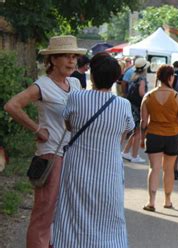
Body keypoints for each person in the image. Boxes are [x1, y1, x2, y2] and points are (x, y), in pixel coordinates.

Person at [3, 35, 86, 248]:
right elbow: (12, 105)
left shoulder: (75, 83)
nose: (72, 61)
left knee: (64, 209)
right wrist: (38, 129)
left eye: (74, 57)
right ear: (53, 60)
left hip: (73, 154)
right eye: (66, 57)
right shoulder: (43, 85)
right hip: (51, 154)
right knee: (44, 210)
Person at [53, 52, 134, 247]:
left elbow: (68, 125)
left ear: (92, 75)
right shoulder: (123, 105)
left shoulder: (76, 97)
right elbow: (127, 132)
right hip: (109, 173)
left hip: (77, 170)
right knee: (109, 219)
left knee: (72, 216)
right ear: (116, 78)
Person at [141, 64, 178, 211]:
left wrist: (143, 137)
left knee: (153, 168)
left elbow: (143, 121)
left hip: (154, 134)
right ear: (170, 77)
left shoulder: (148, 96)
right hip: (173, 136)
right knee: (168, 169)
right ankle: (167, 201)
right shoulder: (177, 97)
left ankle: (151, 202)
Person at [122, 57, 149, 163]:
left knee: (134, 132)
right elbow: (142, 93)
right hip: (137, 107)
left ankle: (126, 151)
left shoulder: (133, 76)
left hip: (131, 105)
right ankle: (134, 155)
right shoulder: (142, 79)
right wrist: (149, 97)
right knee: (137, 132)